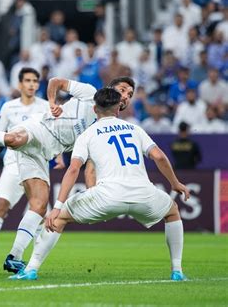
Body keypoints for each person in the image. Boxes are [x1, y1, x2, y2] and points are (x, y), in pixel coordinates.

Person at [11, 88, 190, 281]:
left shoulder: (87, 134)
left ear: (95, 109)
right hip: (143, 194)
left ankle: (31, 269)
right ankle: (177, 271)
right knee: (172, 212)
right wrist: (175, 183)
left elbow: (73, 170)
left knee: (59, 219)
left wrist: (57, 207)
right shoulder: (135, 129)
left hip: (107, 196)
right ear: (118, 109)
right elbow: (159, 156)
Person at [0, 76, 136, 274]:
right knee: (15, 138)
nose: (125, 96)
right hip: (40, 127)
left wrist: (95, 195)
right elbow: (56, 81)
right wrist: (52, 103)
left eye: (130, 94)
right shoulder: (90, 92)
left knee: (39, 206)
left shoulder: (106, 127)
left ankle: (14, 257)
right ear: (110, 88)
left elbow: (90, 167)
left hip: (45, 153)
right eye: (123, 89)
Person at [0, 67, 50, 263]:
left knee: (40, 210)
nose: (32, 84)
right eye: (28, 80)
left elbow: (52, 134)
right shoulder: (9, 107)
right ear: (20, 84)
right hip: (13, 163)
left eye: (35, 81)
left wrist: (58, 156)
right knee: (1, 204)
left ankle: (34, 255)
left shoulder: (45, 106)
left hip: (37, 164)